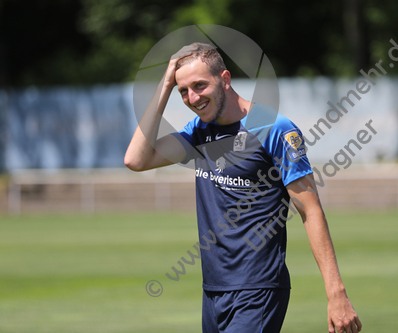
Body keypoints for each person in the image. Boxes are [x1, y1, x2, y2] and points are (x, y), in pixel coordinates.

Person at [125, 43, 362, 333]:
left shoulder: (274, 129)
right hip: (213, 290)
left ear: (225, 79)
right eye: (183, 90)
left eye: (200, 85)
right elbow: (135, 159)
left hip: (257, 289)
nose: (192, 98)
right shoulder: (198, 132)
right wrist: (164, 86)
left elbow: (310, 211)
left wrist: (336, 293)